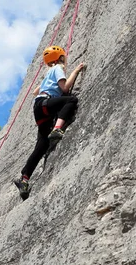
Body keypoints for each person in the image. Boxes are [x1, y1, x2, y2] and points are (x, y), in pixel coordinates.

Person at [14, 45, 85, 200]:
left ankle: (24, 179)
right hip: (46, 105)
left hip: (40, 109)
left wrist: (46, 84)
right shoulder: (58, 68)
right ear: (60, 58)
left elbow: (34, 92)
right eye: (64, 58)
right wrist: (75, 71)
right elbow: (65, 88)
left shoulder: (48, 74)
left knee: (42, 146)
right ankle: (57, 128)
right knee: (71, 100)